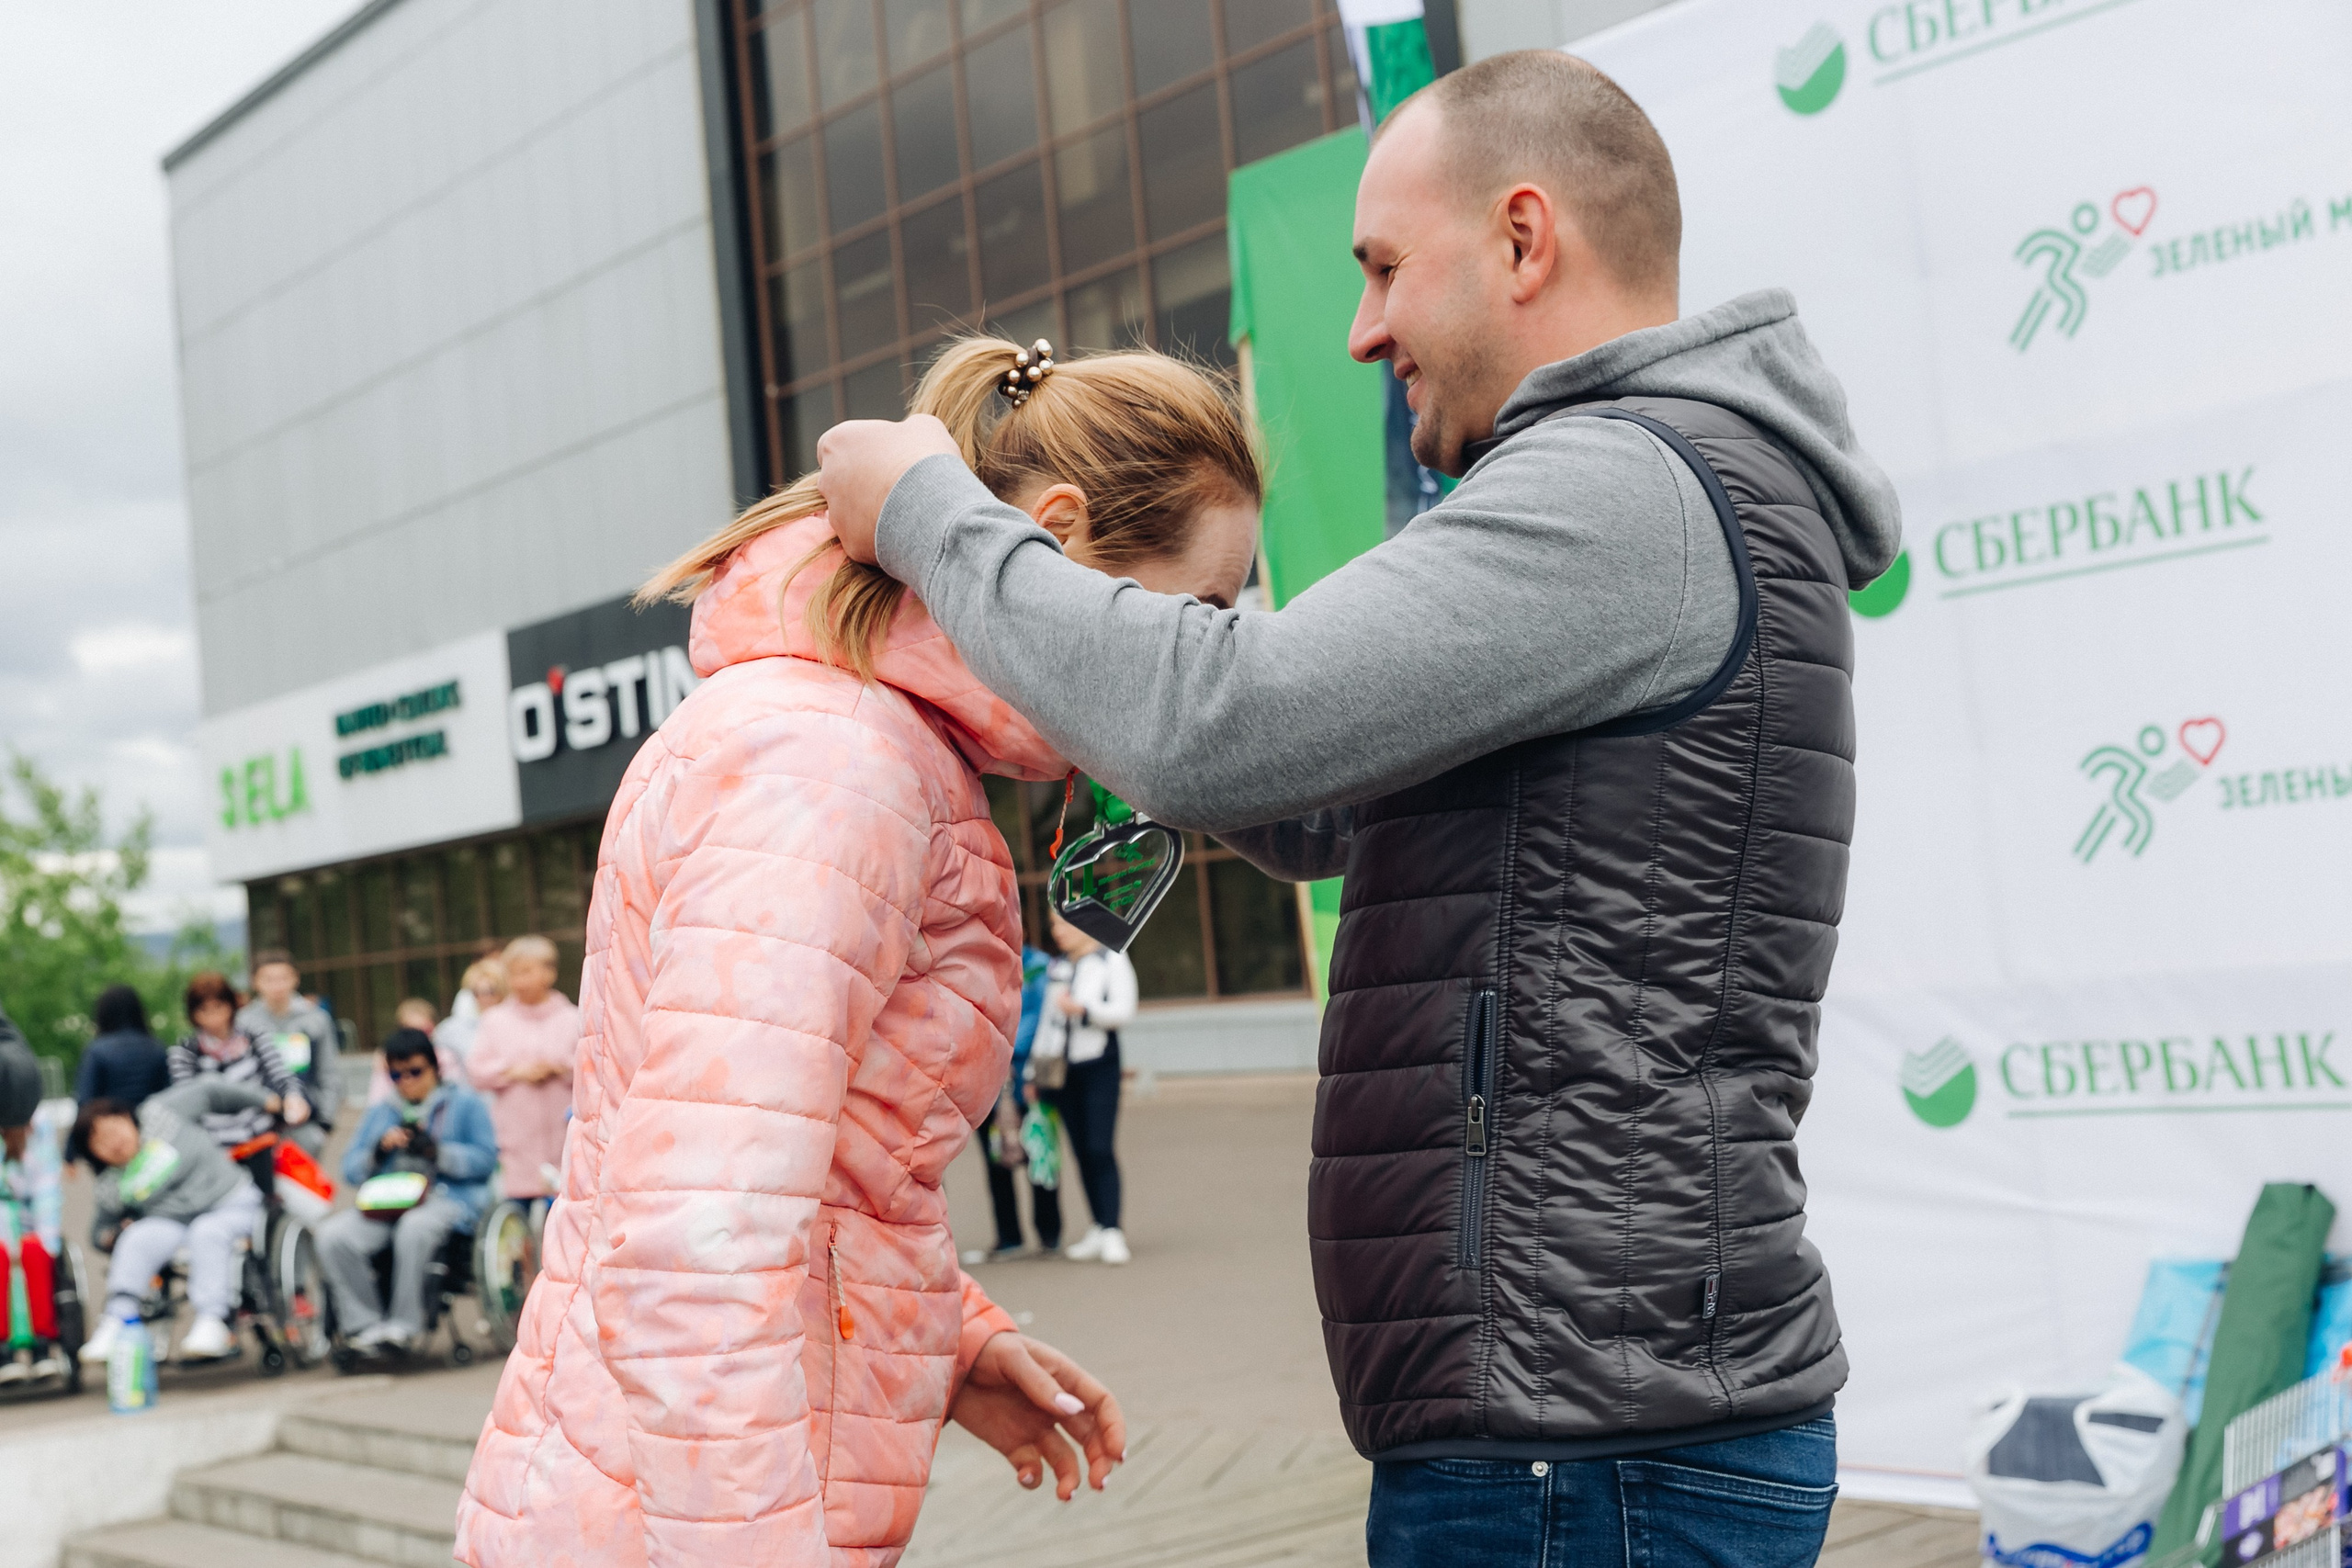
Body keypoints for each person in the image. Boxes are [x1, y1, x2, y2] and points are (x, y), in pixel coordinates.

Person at [813, 52, 1901, 1568]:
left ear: (1523, 239)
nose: (1361, 327)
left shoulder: (1623, 490)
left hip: (1589, 1450)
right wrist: (1119, 681)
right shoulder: (1649, 487)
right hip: (1590, 1429)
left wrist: (932, 511)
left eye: (1385, 266)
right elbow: (1319, 787)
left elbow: (1227, 726)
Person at [454, 334, 1264, 1566]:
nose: (1204, 658)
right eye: (1196, 611)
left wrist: (950, 1337)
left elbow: (800, 1167)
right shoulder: (833, 762)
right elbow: (697, 1249)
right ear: (1056, 538)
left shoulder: (861, 744)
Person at [74, 1077, 282, 1364]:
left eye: (113, 1130)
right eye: (99, 1142)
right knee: (137, 1237)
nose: (113, 1143)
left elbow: (210, 1091)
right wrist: (113, 1236)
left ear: (126, 1117)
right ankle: (116, 1320)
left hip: (229, 1203)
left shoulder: (161, 1113)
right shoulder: (111, 1183)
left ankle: (212, 1321)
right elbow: (98, 1232)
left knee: (207, 1231)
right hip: (173, 1224)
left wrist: (265, 1100)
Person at [316, 1029, 499, 1353]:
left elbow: (485, 1161)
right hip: (387, 1204)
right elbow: (350, 1169)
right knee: (332, 1235)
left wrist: (436, 1152)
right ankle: (365, 1327)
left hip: (447, 1199)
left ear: (434, 1067)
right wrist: (378, 1152)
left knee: (414, 1228)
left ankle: (404, 1325)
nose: (406, 1081)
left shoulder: (466, 1104)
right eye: (396, 1074)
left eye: (415, 1071)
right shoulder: (381, 1111)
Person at [1033, 911, 1137, 1266]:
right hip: (1063, 1070)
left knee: (1099, 1147)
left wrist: (1083, 1010)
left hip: (1099, 1066)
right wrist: (1035, 1073)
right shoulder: (1059, 966)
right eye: (1054, 925)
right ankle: (1097, 1224)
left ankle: (1113, 1228)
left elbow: (1124, 1011)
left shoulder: (1111, 959)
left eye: (1063, 924)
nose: (1057, 932)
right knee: (1079, 1150)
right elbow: (1047, 1021)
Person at [460, 937, 576, 1205]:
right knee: (515, 1215)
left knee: (564, 1210)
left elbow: (592, 1067)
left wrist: (560, 1067)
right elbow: (476, 1071)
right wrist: (513, 1071)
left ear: (549, 973)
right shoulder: (494, 1020)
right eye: (512, 973)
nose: (518, 981)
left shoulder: (572, 1017)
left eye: (525, 972)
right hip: (515, 1139)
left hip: (563, 1136)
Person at [169, 971, 309, 1190]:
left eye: (219, 1007)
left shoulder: (254, 1037)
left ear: (231, 1006)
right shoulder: (186, 1053)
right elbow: (189, 1101)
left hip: (261, 1139)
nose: (213, 1017)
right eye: (204, 1010)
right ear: (194, 1014)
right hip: (217, 1147)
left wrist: (293, 1098)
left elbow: (281, 1075)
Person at [969, 944, 1052, 1262]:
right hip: (987, 1079)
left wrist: (1005, 1048)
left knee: (1039, 1153)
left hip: (1029, 1077)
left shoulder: (1039, 966)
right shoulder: (976, 961)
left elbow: (1040, 1017)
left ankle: (1049, 1233)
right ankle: (1008, 1237)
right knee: (996, 1160)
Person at [236, 951, 341, 1154]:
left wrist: (325, 1123)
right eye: (269, 979)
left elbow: (329, 1071)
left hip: (306, 1122)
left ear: (295, 978)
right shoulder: (243, 1022)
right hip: (257, 1124)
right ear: (255, 982)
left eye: (283, 978)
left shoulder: (315, 1019)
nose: (277, 986)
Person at [74, 985, 173, 1112]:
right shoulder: (157, 1048)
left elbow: (85, 1101)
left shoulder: (97, 1050)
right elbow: (168, 1093)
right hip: (152, 1120)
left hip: (112, 1122)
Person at [367, 998, 466, 1104]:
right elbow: (376, 1101)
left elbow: (457, 1095)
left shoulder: (446, 1059)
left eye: (425, 1031)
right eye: (411, 1031)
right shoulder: (389, 1062)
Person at [433, 957, 507, 1077]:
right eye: (476, 992)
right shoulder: (451, 1030)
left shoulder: (515, 1024)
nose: (484, 997)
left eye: (491, 991)